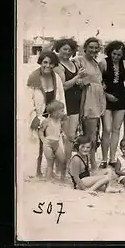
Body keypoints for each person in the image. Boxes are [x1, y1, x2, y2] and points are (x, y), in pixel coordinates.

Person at [27, 50, 66, 177]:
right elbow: (28, 100)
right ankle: (36, 170)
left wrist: (62, 115)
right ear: (40, 62)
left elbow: (61, 98)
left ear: (55, 65)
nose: (48, 66)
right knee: (37, 143)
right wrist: (35, 118)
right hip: (38, 115)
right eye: (45, 62)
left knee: (54, 142)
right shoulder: (33, 78)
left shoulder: (57, 78)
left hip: (53, 116)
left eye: (51, 63)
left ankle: (52, 170)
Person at [73, 37, 106, 170]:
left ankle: (88, 162)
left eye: (96, 48)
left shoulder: (95, 62)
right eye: (91, 47)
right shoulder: (78, 61)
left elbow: (97, 80)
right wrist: (84, 82)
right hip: (88, 100)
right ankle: (92, 164)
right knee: (89, 134)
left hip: (97, 100)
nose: (93, 50)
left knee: (94, 133)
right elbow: (77, 81)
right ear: (84, 47)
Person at [52, 38, 82, 169]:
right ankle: (59, 165)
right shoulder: (58, 65)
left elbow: (76, 84)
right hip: (63, 104)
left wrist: (80, 82)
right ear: (58, 49)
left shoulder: (73, 63)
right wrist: (77, 78)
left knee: (71, 136)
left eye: (70, 50)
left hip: (75, 103)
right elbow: (63, 86)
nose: (67, 52)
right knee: (61, 136)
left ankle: (67, 162)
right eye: (64, 49)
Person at [99, 40, 125, 168]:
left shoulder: (124, 64)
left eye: (118, 55)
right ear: (110, 52)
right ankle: (103, 159)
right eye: (114, 54)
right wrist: (106, 95)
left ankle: (112, 158)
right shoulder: (104, 63)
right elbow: (97, 81)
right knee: (107, 129)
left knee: (116, 130)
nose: (116, 57)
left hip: (121, 98)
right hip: (106, 98)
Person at [38, 100, 67, 180]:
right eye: (61, 111)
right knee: (50, 162)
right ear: (54, 112)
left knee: (63, 160)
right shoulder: (47, 121)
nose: (63, 112)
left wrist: (62, 133)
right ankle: (48, 180)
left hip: (56, 143)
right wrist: (43, 139)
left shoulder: (59, 121)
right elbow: (41, 131)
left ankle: (63, 178)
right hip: (48, 144)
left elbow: (58, 130)